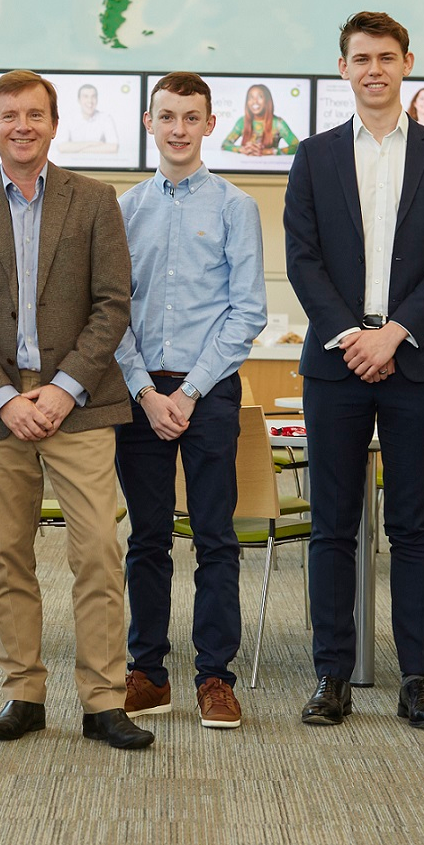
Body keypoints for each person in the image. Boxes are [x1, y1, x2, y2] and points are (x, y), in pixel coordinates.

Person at [0, 69, 153, 750]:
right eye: (8, 115)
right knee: (9, 557)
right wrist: (5, 396)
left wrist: (61, 389)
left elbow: (112, 304)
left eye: (34, 114)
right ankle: (23, 692)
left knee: (96, 550)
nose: (22, 125)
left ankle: (102, 701)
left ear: (54, 124)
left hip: (79, 404)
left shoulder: (92, 201)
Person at [283, 12, 424, 729]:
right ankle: (331, 673)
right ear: (343, 68)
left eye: (386, 57)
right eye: (360, 58)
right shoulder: (313, 155)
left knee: (411, 526)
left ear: (406, 63)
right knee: (330, 525)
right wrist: (348, 334)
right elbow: (301, 257)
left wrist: (393, 332)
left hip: (414, 360)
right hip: (334, 364)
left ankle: (416, 678)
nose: (373, 69)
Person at [114, 72, 267, 729]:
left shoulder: (235, 206)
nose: (178, 128)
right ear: (149, 122)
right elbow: (109, 310)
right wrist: (146, 390)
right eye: (166, 115)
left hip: (209, 390)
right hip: (139, 391)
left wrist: (190, 390)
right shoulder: (121, 210)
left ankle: (214, 677)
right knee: (146, 537)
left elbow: (247, 311)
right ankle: (147, 671)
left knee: (214, 537)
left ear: (209, 124)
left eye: (190, 117)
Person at [222, 84, 299, 156]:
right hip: (244, 166)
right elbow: (225, 145)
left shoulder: (278, 123)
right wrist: (242, 149)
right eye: (251, 98)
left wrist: (268, 152)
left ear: (267, 101)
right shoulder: (242, 121)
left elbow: (297, 147)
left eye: (260, 97)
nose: (255, 102)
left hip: (270, 168)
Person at [57, 82, 119, 154]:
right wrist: (91, 143)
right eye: (85, 96)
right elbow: (62, 147)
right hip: (72, 163)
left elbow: (113, 148)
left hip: (100, 163)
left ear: (97, 99)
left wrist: (77, 150)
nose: (90, 101)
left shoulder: (106, 118)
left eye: (93, 96)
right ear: (79, 100)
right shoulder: (68, 118)